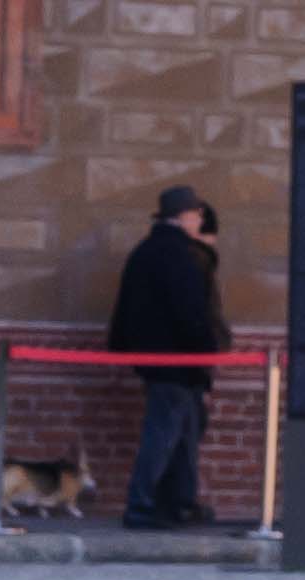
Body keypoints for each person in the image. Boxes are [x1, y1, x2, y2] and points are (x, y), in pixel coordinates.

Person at [110, 183, 230, 529]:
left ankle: (179, 501)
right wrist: (206, 354)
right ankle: (143, 504)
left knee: (183, 434)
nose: (199, 221)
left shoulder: (146, 251)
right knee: (164, 434)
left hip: (161, 361)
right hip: (178, 361)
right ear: (184, 216)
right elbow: (191, 313)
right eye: (196, 215)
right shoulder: (180, 256)